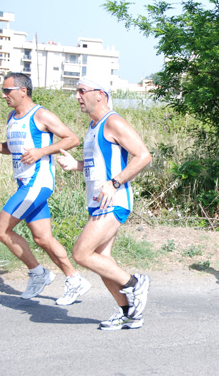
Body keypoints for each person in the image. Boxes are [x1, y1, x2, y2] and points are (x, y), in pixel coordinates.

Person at [57, 77, 152, 330]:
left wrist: (116, 182)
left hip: (115, 200)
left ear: (100, 94)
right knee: (102, 259)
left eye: (82, 91)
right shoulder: (94, 126)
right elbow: (97, 165)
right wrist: (74, 165)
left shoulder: (113, 121)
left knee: (81, 254)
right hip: (97, 202)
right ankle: (128, 312)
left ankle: (134, 283)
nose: (77, 96)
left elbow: (143, 155)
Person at [0, 72, 91, 305]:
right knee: (42, 238)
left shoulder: (40, 114)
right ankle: (74, 279)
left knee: (0, 230)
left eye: (7, 91)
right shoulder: (12, 116)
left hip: (37, 183)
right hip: (25, 183)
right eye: (2, 91)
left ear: (22, 91)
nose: (3, 95)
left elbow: (72, 138)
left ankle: (38, 273)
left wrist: (42, 151)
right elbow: (13, 147)